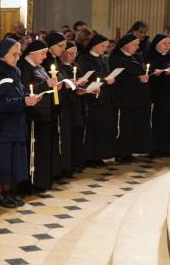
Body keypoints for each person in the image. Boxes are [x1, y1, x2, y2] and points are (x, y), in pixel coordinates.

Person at [0, 38, 40, 207]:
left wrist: (29, 97)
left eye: (19, 54)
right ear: (3, 54)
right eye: (14, 54)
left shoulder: (15, 70)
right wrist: (23, 102)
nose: (18, 57)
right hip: (1, 124)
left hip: (15, 121)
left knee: (11, 160)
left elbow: (20, 92)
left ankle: (7, 193)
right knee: (1, 161)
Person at [18, 39, 58, 191]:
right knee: (33, 149)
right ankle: (30, 183)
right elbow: (25, 90)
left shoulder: (39, 66)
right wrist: (46, 85)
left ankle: (41, 181)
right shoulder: (23, 67)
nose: (45, 56)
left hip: (44, 113)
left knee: (42, 149)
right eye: (42, 53)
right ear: (32, 53)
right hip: (33, 115)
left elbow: (46, 84)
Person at [109, 33, 151, 161]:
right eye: (134, 45)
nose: (137, 47)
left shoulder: (136, 57)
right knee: (125, 127)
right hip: (124, 98)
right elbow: (118, 79)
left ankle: (129, 151)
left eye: (138, 44)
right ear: (125, 45)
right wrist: (138, 79)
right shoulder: (116, 58)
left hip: (138, 97)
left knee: (134, 126)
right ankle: (121, 153)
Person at [76, 34, 117, 166]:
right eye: (103, 46)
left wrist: (110, 80)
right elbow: (84, 78)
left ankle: (99, 155)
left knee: (102, 129)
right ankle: (90, 157)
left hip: (105, 97)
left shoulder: (102, 59)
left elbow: (105, 74)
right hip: (91, 99)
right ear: (94, 45)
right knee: (93, 129)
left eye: (107, 46)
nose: (105, 49)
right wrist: (105, 80)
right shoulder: (84, 59)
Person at [44, 32, 74, 177]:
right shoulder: (45, 60)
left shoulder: (55, 59)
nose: (63, 49)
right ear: (51, 45)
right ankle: (54, 170)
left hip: (59, 102)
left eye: (64, 46)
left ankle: (59, 167)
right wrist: (62, 84)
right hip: (49, 104)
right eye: (60, 46)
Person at [59, 41, 87, 171]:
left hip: (77, 105)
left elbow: (77, 86)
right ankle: (67, 165)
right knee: (67, 136)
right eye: (71, 53)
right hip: (65, 106)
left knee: (77, 133)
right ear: (63, 52)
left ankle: (76, 162)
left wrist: (83, 88)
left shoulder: (75, 67)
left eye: (75, 53)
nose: (74, 56)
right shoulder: (59, 67)